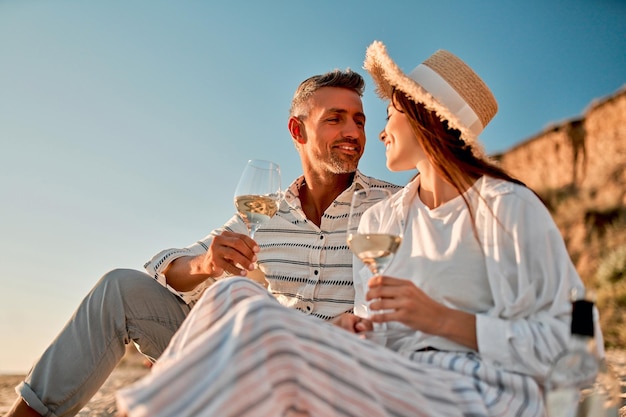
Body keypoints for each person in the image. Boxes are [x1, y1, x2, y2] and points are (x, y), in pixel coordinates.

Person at [115, 41, 595, 417]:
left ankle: (152, 408)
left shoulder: (505, 207)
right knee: (231, 297)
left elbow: (578, 342)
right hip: (393, 376)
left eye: (387, 117)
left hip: (484, 388)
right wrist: (355, 330)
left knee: (264, 338)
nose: (377, 133)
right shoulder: (383, 220)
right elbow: (379, 327)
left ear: (428, 121)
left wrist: (444, 320)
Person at [6, 69, 400, 417]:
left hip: (335, 366)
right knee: (120, 288)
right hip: (251, 358)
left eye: (360, 121)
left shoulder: (392, 203)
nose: (353, 132)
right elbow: (166, 269)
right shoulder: (264, 211)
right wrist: (205, 265)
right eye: (336, 119)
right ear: (298, 131)